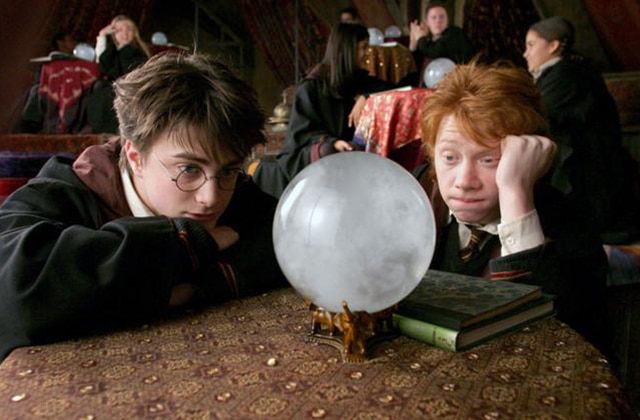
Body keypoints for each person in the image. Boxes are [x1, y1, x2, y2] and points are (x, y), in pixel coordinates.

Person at [0, 53, 287, 361]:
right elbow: (14, 294)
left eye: (229, 170)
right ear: (135, 157)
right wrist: (182, 245)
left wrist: (193, 288)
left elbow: (286, 239)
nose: (211, 197)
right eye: (189, 169)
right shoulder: (60, 194)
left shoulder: (228, 185)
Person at [416, 62, 610, 353]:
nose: (464, 181)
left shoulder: (570, 223)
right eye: (450, 158)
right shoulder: (418, 197)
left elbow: (558, 343)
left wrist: (515, 193)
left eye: (488, 160)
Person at [523, 16, 639, 244]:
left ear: (553, 46)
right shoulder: (560, 73)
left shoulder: (567, 74)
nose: (525, 53)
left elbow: (540, 116)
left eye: (531, 45)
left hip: (588, 170)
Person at [253, 23, 392, 198]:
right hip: (311, 150)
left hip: (350, 146)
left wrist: (366, 97)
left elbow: (395, 90)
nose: (366, 53)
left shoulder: (360, 80)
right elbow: (303, 133)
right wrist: (333, 142)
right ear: (348, 49)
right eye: (363, 47)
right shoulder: (312, 87)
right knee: (329, 152)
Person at [87, 15, 152, 134]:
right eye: (119, 30)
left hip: (132, 86)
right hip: (113, 85)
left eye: (129, 29)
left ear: (134, 33)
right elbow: (102, 63)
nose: (125, 33)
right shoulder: (112, 50)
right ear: (113, 34)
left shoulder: (136, 51)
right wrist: (102, 35)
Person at [409, 2, 475, 66]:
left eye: (442, 17)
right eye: (433, 17)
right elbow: (414, 67)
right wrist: (413, 43)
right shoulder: (430, 40)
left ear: (447, 20)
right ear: (427, 22)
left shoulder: (454, 33)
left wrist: (420, 38)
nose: (438, 21)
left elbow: (434, 52)